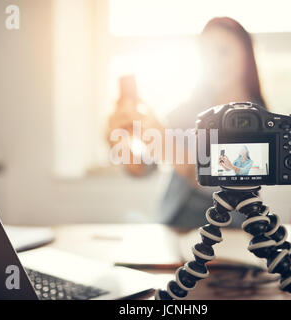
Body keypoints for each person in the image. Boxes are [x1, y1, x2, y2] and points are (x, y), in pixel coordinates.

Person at [107, 17, 266, 227]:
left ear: (246, 54)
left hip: (230, 233)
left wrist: (167, 146)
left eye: (223, 51)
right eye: (206, 54)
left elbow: (227, 183)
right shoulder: (188, 110)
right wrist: (118, 140)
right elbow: (143, 167)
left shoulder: (262, 121)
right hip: (174, 228)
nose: (214, 62)